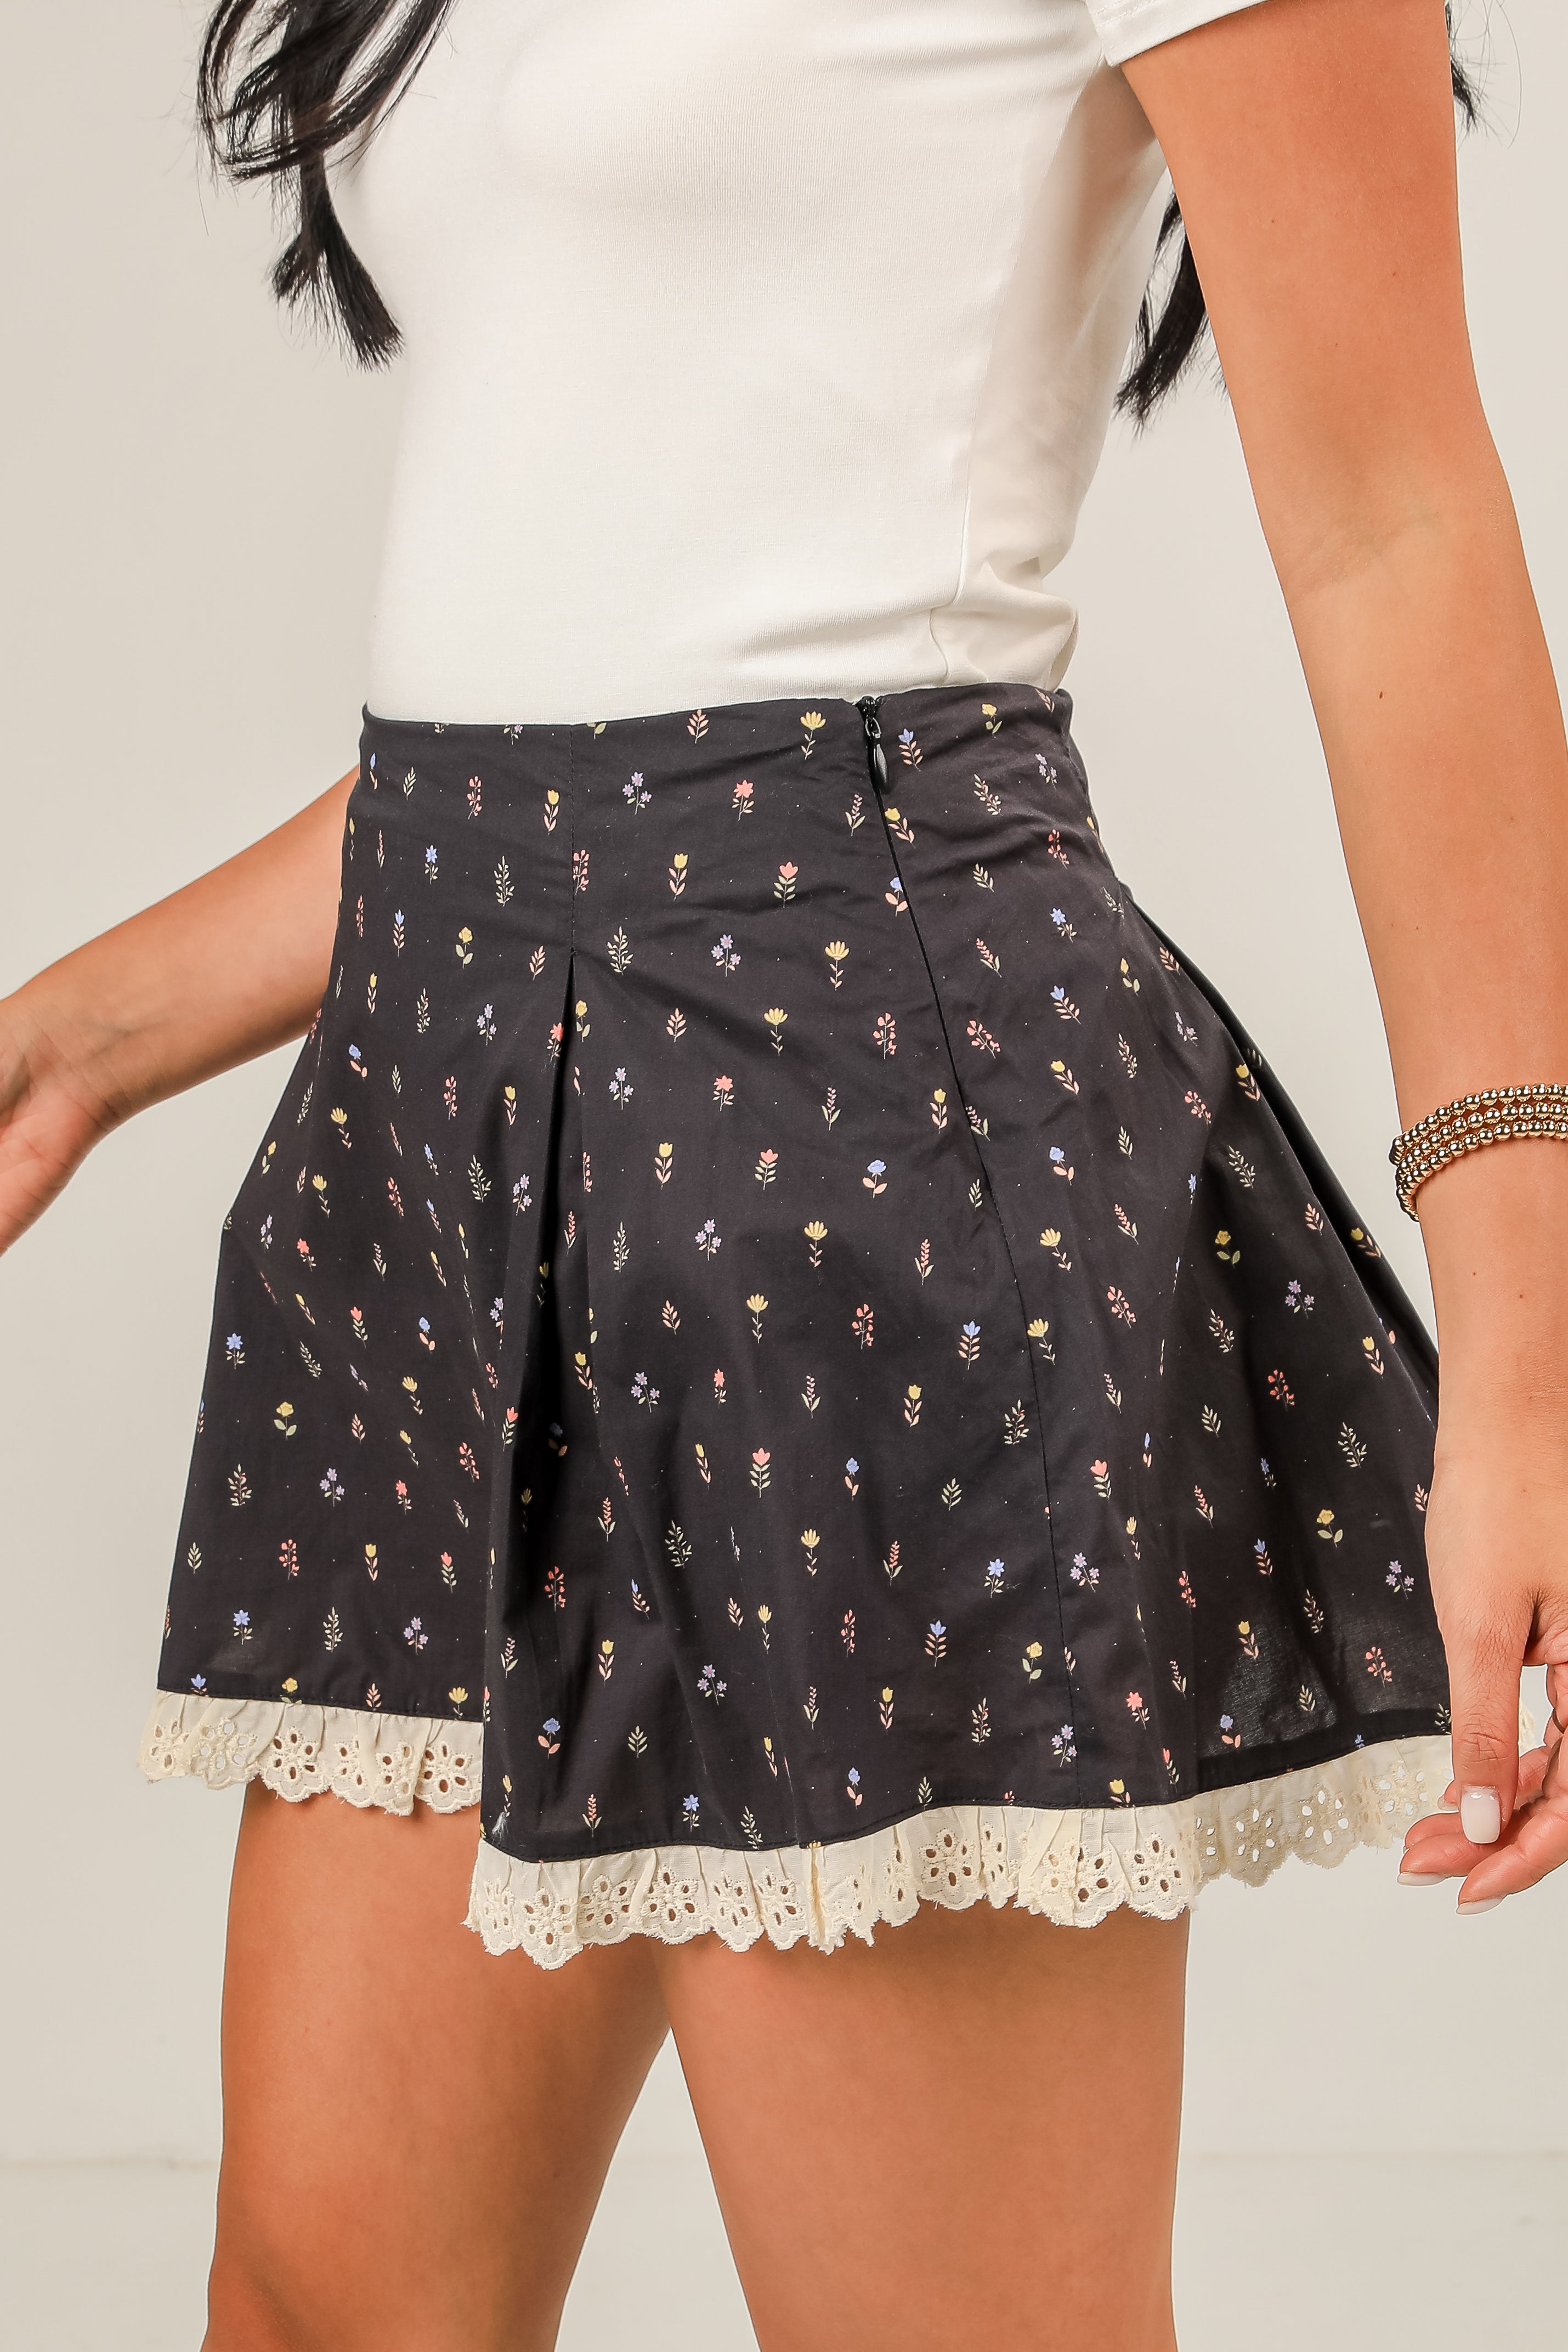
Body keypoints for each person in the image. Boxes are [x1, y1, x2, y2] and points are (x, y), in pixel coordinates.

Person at [3, 0, 1566, 2344]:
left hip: (851, 1149)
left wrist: (1529, 1364)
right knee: (325, 2301)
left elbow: (1397, 530)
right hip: (441, 1121)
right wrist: (73, 1041)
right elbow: (563, 694)